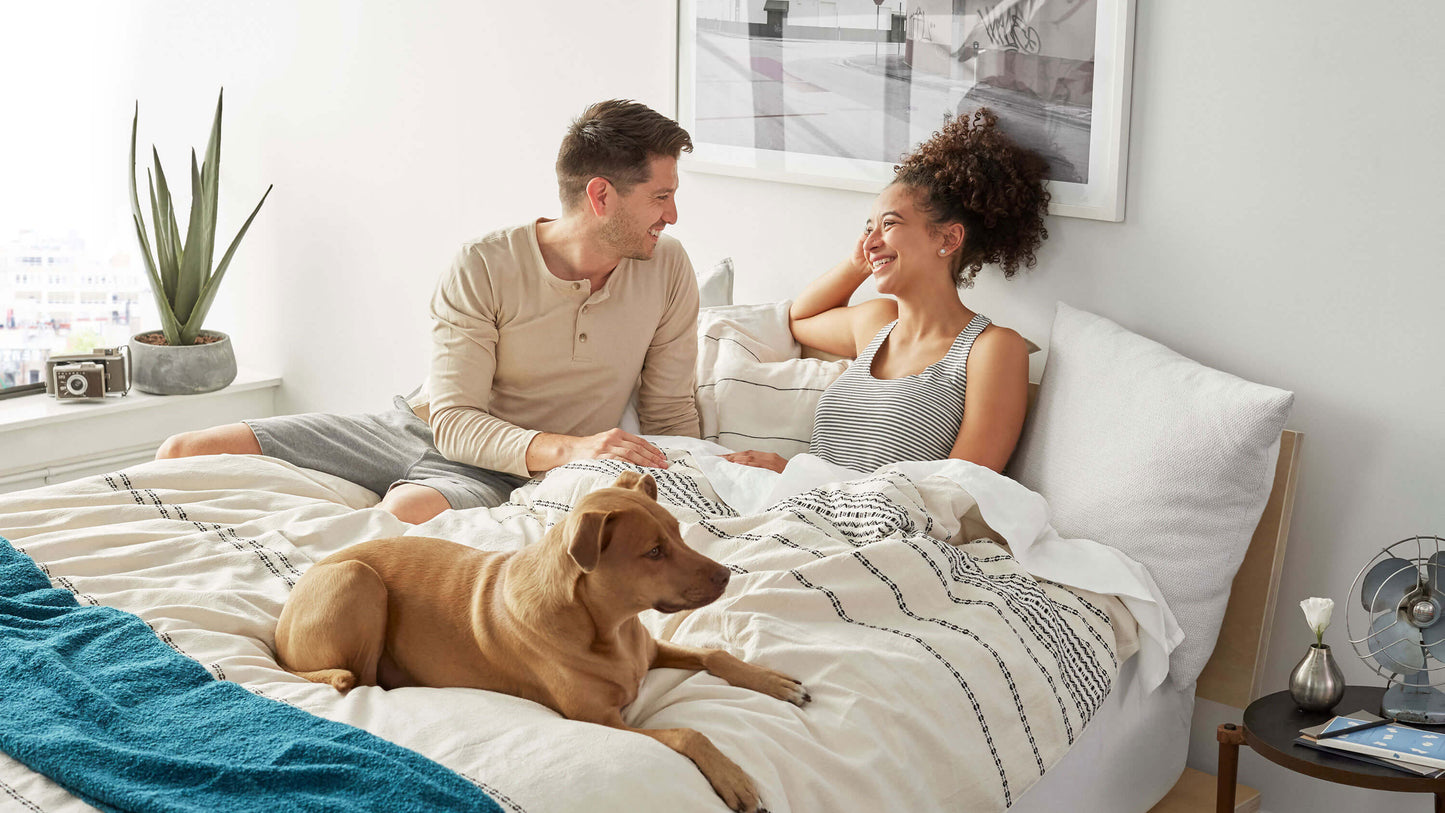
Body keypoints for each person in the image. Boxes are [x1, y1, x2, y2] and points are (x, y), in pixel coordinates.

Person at [157, 100, 702, 523]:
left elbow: (669, 415)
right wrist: (577, 446)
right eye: (660, 197)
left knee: (396, 521)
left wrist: (711, 463)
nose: (673, 215)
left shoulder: (667, 268)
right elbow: (455, 421)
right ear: (601, 195)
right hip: (413, 427)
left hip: (505, 471)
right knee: (183, 452)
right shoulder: (485, 263)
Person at [722, 108, 1049, 475]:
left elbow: (958, 488)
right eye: (868, 228)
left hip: (876, 524)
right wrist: (863, 259)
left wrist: (798, 474)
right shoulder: (877, 323)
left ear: (949, 238)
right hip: (800, 503)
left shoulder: (992, 348)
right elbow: (799, 318)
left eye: (889, 224)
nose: (871, 240)